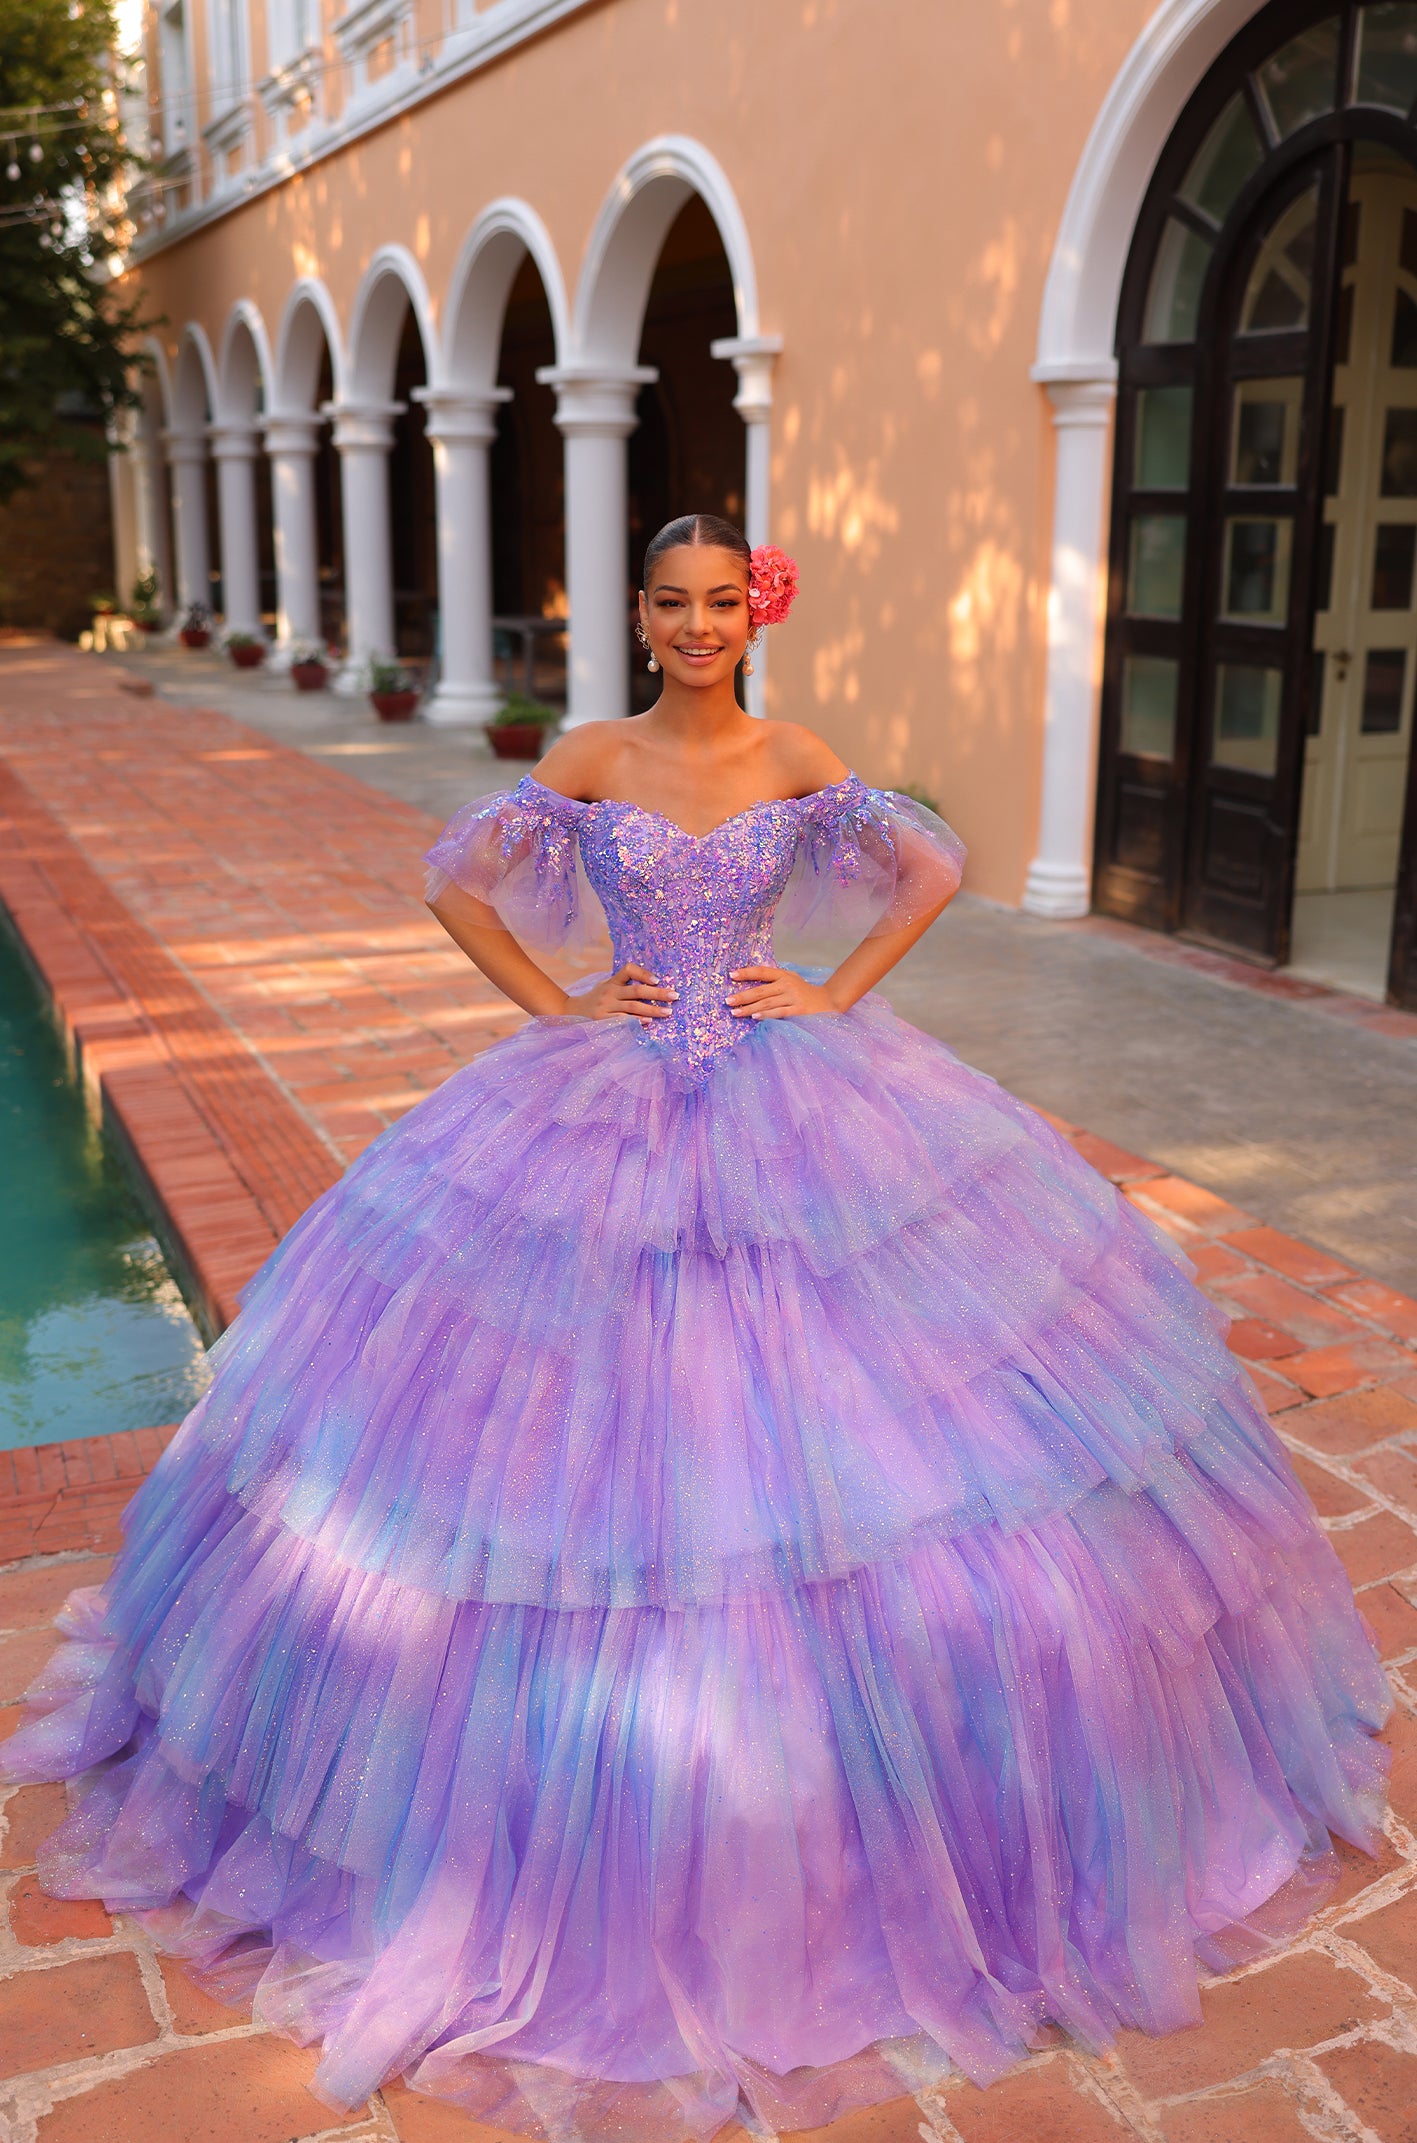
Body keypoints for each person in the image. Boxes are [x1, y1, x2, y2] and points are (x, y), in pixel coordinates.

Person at [1, 514, 1390, 2142]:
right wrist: (556, 1002)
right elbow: (456, 880)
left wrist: (842, 984)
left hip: (797, 1091)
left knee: (847, 1407)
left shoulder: (797, 749)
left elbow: (928, 863)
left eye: (719, 601)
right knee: (574, 1405)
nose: (693, 626)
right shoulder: (588, 754)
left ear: (754, 611)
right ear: (637, 617)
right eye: (668, 604)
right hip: (601, 1092)